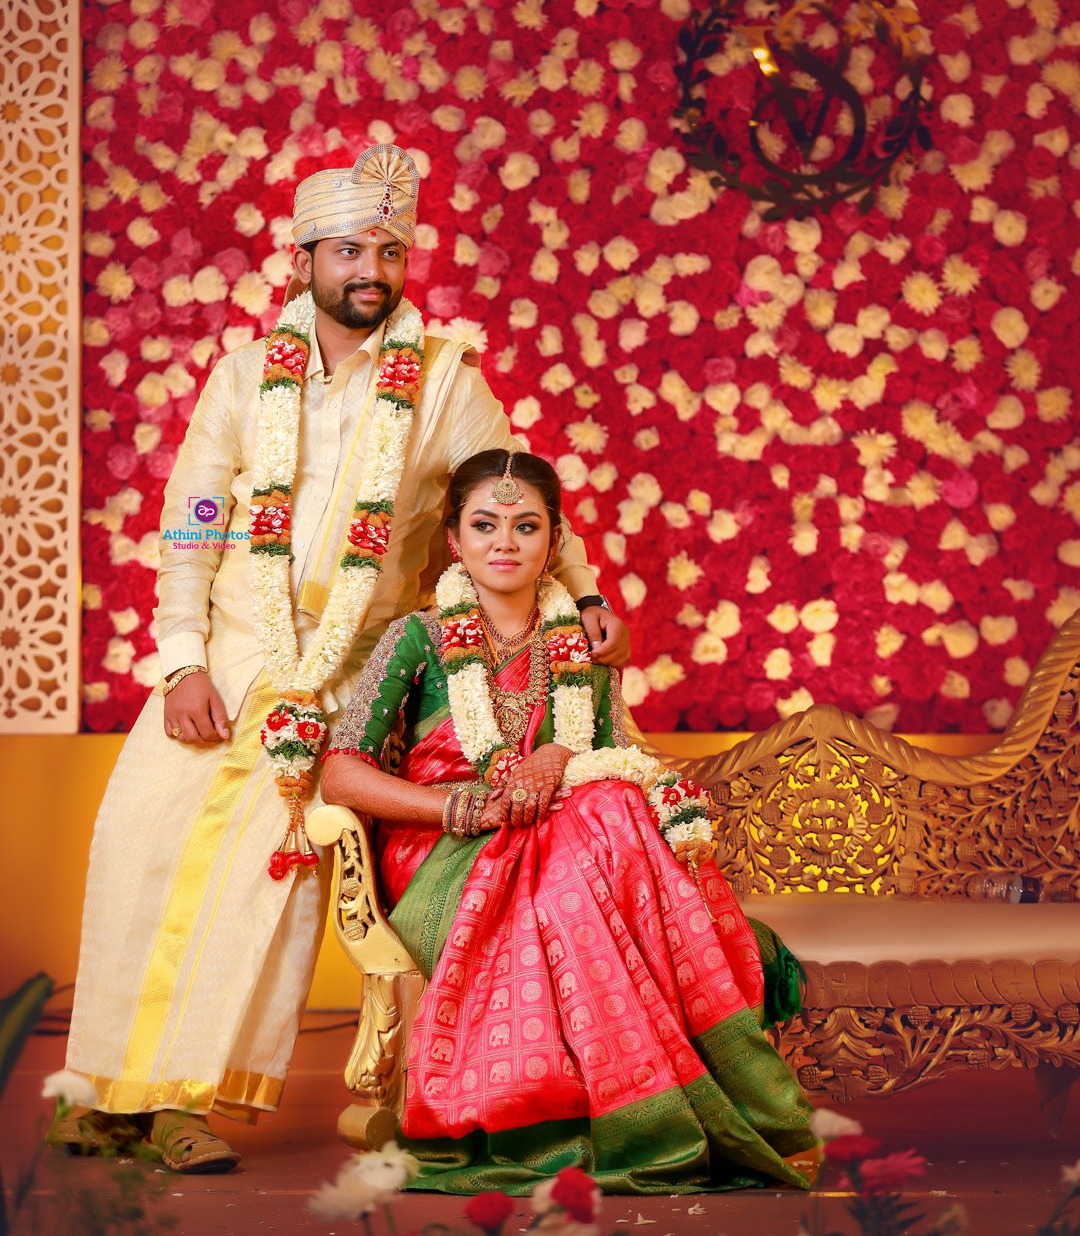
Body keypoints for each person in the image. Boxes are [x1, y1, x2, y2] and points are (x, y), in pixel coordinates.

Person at [51, 146, 628, 1173]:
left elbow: (510, 486)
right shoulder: (240, 378)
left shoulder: (446, 383)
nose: (372, 267)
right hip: (230, 653)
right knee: (138, 845)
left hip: (348, 669)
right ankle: (101, 1090)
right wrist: (180, 663)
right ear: (304, 256)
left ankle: (191, 1103)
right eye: (351, 248)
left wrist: (580, 595)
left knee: (267, 888)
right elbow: (191, 526)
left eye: (390, 250)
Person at [321, 449, 820, 1195]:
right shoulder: (417, 639)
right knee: (594, 838)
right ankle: (604, 1111)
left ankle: (643, 1104)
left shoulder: (582, 642)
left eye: (527, 526)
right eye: (484, 524)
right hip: (447, 850)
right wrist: (463, 805)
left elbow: (617, 759)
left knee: (609, 810)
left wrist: (555, 753)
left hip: (571, 840)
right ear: (454, 540)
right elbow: (340, 771)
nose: (505, 541)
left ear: (553, 542)